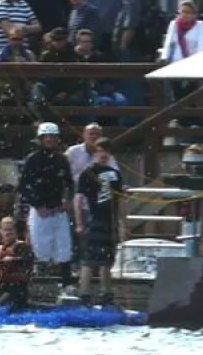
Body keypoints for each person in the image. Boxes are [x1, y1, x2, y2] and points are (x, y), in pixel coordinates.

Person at [17, 122, 74, 292]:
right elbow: (23, 187)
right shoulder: (32, 159)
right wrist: (38, 205)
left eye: (53, 136)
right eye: (47, 137)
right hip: (40, 211)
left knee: (64, 245)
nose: (50, 139)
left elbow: (69, 183)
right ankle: (37, 283)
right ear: (41, 139)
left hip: (58, 210)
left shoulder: (62, 159)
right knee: (39, 246)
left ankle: (66, 281)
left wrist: (67, 201)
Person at [74, 138, 124, 306]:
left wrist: (122, 222)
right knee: (88, 259)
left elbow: (119, 199)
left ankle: (107, 295)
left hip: (110, 220)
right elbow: (78, 199)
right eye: (100, 151)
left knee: (106, 260)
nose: (103, 154)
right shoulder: (88, 173)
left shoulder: (116, 174)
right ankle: (85, 294)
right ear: (95, 153)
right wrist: (79, 222)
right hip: (93, 218)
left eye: (106, 151)